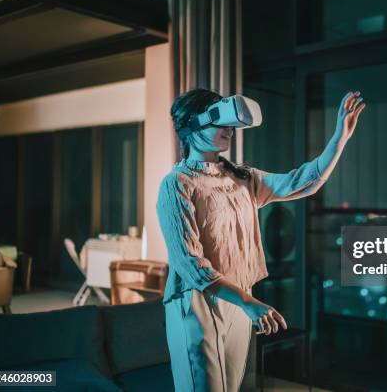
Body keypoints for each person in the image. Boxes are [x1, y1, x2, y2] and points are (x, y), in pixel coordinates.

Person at [156, 88, 365, 391]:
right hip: (198, 303)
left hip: (240, 299)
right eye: (220, 121)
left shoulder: (243, 178)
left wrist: (340, 138)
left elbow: (303, 182)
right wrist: (250, 303)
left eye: (230, 122)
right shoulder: (177, 185)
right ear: (192, 125)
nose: (229, 129)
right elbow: (191, 265)